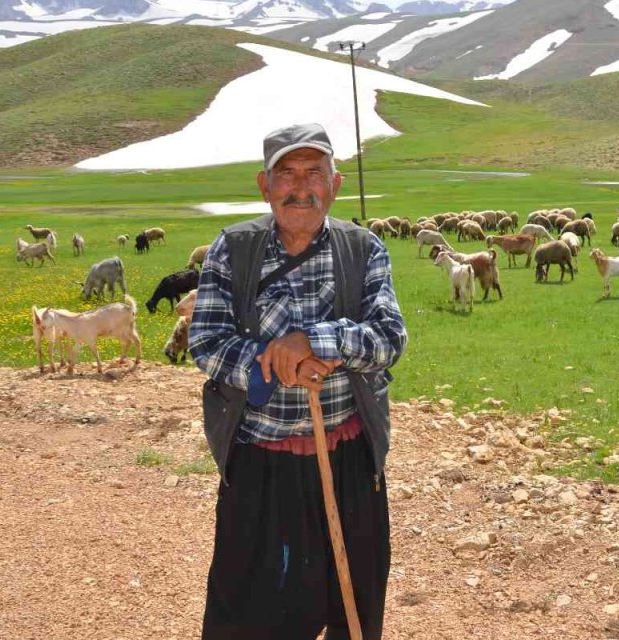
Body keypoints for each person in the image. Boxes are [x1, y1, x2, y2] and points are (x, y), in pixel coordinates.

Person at [189, 122, 407, 640]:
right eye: (286, 174)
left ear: (334, 184)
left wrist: (315, 341)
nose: (301, 187)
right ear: (265, 186)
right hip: (261, 463)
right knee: (247, 616)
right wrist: (274, 362)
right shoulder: (233, 249)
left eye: (314, 173)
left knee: (354, 608)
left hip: (348, 460)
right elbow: (206, 341)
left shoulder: (364, 249)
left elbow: (388, 338)